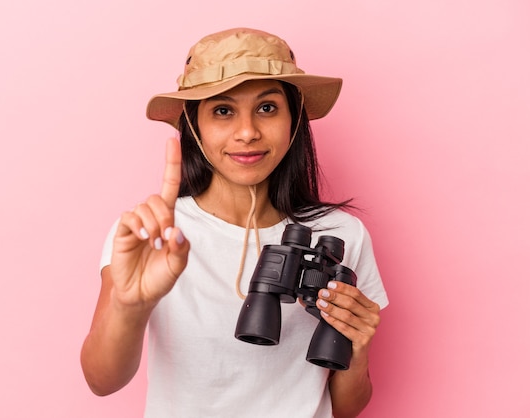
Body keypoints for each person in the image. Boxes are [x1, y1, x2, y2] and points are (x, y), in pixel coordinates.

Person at [81, 28, 389, 418]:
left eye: (267, 108)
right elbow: (101, 380)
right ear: (193, 126)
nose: (247, 132)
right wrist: (130, 304)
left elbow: (345, 409)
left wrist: (357, 349)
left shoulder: (342, 234)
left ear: (294, 120)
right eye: (223, 111)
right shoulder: (154, 233)